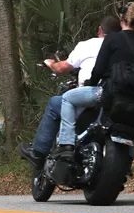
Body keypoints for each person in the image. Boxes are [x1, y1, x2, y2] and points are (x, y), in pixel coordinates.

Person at [18, 16, 122, 168]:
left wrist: (51, 64)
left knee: (55, 103)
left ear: (100, 29)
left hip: (92, 93)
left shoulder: (89, 45)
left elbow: (62, 68)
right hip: (116, 95)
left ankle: (41, 151)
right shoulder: (121, 47)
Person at [55, 2, 134, 161]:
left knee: (67, 98)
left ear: (122, 18)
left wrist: (90, 83)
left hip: (109, 93)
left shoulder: (112, 39)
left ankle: (66, 145)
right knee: (133, 124)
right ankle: (127, 161)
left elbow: (99, 69)